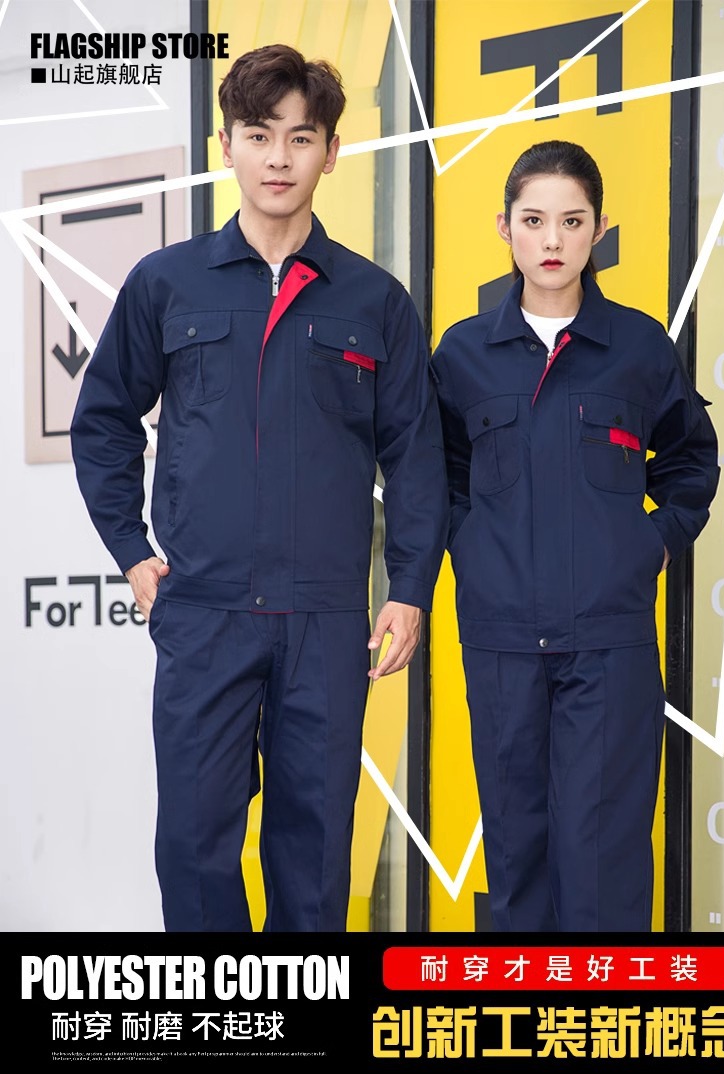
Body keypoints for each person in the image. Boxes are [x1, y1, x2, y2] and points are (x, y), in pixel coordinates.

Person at [70, 44, 448, 932]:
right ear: (226, 146)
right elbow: (104, 419)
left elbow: (416, 454)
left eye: (301, 138)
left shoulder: (374, 301)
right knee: (194, 847)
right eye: (258, 135)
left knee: (313, 857)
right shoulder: (166, 284)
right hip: (203, 611)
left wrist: (409, 588)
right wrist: (131, 552)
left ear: (332, 152)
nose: (279, 158)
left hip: (324, 617)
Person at [430, 140, 719, 932]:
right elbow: (439, 473)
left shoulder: (638, 348)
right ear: (505, 228)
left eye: (571, 221)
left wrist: (652, 544)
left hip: (609, 642)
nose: (552, 241)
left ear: (599, 230)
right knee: (515, 861)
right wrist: (473, 550)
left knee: (605, 866)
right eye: (533, 221)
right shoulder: (463, 354)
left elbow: (691, 459)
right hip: (502, 642)